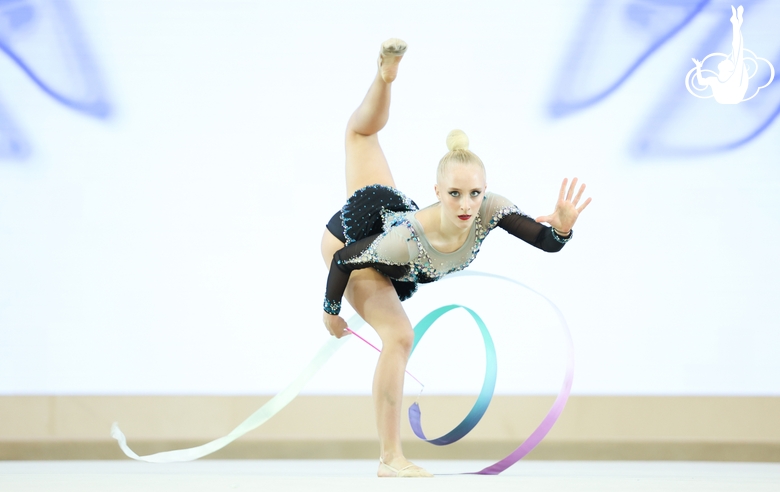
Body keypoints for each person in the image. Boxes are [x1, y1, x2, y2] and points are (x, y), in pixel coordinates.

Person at [319, 38, 591, 478]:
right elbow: (345, 261)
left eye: (474, 193)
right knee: (400, 337)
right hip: (354, 245)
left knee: (363, 133)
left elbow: (547, 243)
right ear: (437, 193)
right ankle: (390, 458)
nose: (466, 205)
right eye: (454, 195)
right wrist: (331, 311)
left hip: (389, 217)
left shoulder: (490, 210)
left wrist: (561, 228)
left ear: (484, 191)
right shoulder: (405, 238)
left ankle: (384, 77)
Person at [692, 5, 749, 104]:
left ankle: (736, 24)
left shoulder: (734, 76)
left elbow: (737, 48)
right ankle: (736, 24)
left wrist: (736, 26)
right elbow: (701, 82)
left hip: (732, 98)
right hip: (727, 99)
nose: (725, 60)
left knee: (737, 50)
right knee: (737, 51)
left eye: (726, 61)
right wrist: (698, 67)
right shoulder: (716, 80)